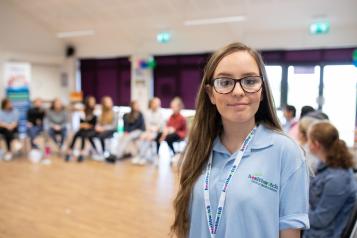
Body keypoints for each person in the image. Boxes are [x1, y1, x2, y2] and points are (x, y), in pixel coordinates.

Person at [171, 42, 309, 238]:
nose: (238, 92)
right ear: (211, 94)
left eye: (250, 81)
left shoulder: (286, 152)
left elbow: (290, 232)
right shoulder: (199, 149)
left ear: (262, 91)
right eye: (225, 82)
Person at [303, 121, 357, 238]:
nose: (306, 144)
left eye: (308, 140)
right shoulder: (324, 166)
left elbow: (320, 220)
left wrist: (294, 209)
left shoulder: (338, 179)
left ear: (316, 144)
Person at [132, 97, 164, 165]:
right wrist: (148, 131)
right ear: (152, 104)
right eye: (155, 103)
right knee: (142, 137)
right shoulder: (147, 112)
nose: (156, 105)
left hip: (157, 132)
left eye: (158, 103)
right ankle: (140, 156)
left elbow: (160, 126)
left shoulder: (161, 113)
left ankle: (142, 157)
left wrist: (152, 130)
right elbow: (146, 124)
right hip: (148, 131)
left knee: (148, 138)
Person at [66, 96, 97, 162]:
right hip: (83, 129)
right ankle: (69, 151)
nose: (91, 103)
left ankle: (81, 153)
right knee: (75, 135)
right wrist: (83, 125)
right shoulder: (83, 111)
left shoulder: (95, 111)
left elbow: (94, 124)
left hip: (91, 129)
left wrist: (88, 125)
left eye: (93, 102)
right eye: (90, 102)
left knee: (83, 135)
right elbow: (81, 123)